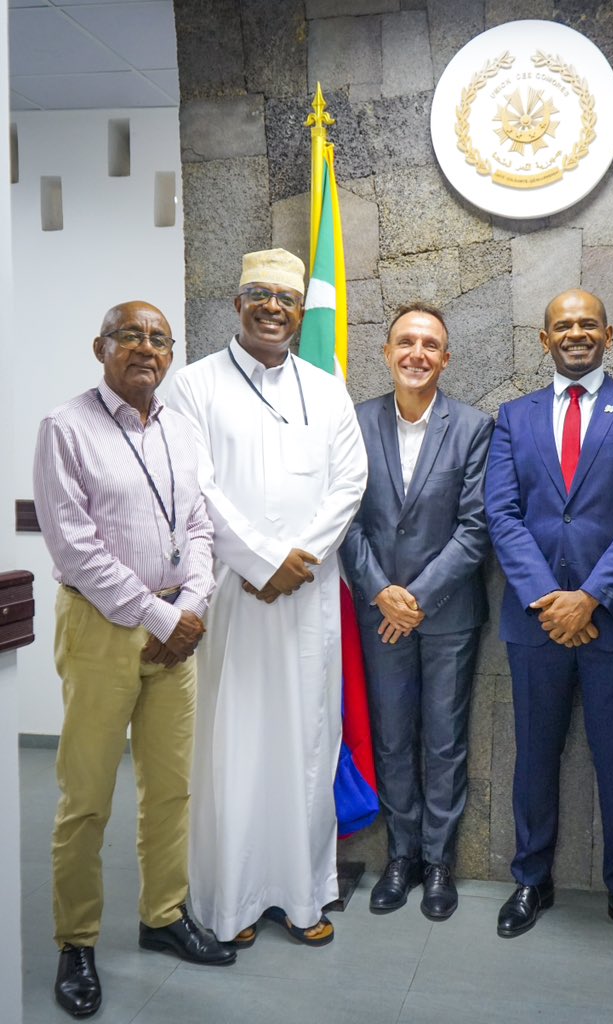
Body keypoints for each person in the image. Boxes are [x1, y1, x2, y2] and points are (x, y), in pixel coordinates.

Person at [33, 302, 234, 1019]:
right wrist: (159, 616)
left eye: (158, 338)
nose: (145, 348)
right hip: (102, 630)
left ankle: (163, 917)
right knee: (86, 797)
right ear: (101, 347)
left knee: (171, 788)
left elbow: (203, 526)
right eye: (130, 336)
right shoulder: (66, 428)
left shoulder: (181, 427)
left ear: (170, 354)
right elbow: (74, 548)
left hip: (178, 625)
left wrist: (194, 607)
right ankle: (76, 941)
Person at [164, 248, 367, 949]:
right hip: (234, 595)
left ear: (297, 310)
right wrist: (259, 561)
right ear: (237, 301)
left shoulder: (327, 385)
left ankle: (303, 898)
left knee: (308, 745)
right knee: (235, 747)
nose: (273, 308)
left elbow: (350, 482)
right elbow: (197, 485)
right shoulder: (193, 385)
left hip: (305, 602)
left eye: (285, 297)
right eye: (259, 294)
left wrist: (296, 563)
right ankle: (232, 901)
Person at [484, 289, 613, 956]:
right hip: (536, 627)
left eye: (586, 323)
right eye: (562, 325)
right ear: (544, 339)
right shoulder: (513, 417)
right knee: (534, 759)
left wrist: (590, 598)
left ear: (609, 332)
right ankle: (532, 879)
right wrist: (549, 599)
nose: (575, 334)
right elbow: (502, 515)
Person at [340, 303, 493, 920]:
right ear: (387, 351)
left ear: (446, 358)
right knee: (394, 737)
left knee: (445, 740)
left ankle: (438, 864)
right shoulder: (354, 422)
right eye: (407, 342)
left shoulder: (474, 427)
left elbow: (477, 526)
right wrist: (382, 592)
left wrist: (417, 599)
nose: (417, 354)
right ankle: (400, 857)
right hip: (378, 613)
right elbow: (343, 517)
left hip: (448, 615)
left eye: (431, 345)